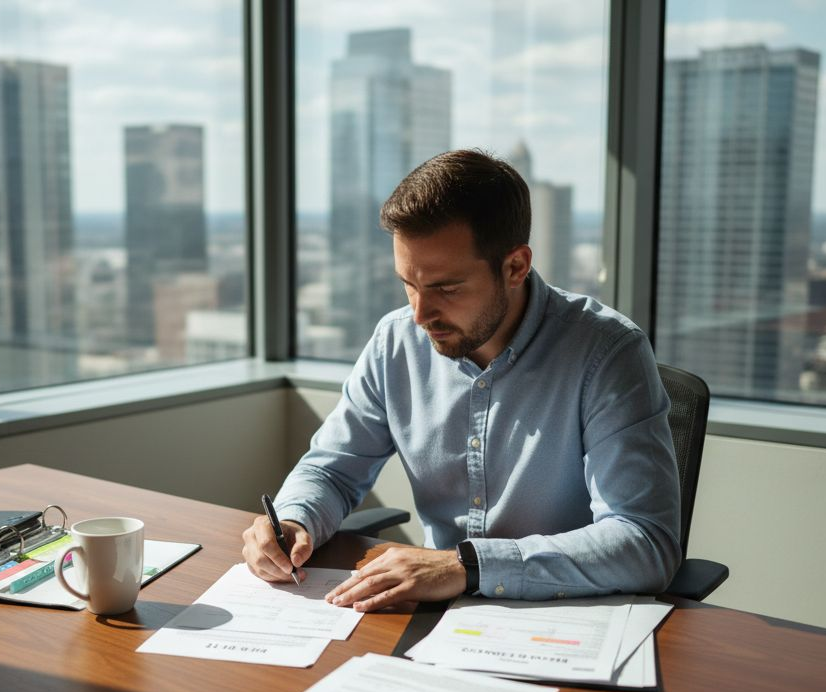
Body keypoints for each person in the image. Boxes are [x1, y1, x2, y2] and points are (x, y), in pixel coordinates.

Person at [242, 149, 681, 612]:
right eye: (408, 283)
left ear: (515, 267)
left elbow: (643, 540)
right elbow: (330, 469)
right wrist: (294, 520)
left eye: (446, 289)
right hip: (436, 617)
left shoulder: (607, 353)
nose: (420, 314)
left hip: (565, 617)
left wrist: (468, 566)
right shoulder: (396, 342)